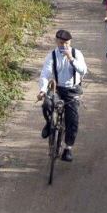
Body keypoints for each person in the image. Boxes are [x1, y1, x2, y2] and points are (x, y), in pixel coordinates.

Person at [38, 29, 87, 163]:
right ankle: (49, 124)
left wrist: (71, 59)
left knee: (73, 119)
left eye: (66, 43)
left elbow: (83, 70)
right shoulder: (51, 56)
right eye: (61, 43)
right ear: (56, 42)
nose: (64, 46)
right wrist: (42, 90)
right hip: (57, 89)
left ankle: (68, 148)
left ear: (70, 42)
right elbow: (45, 74)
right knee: (47, 104)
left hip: (73, 90)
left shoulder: (77, 54)